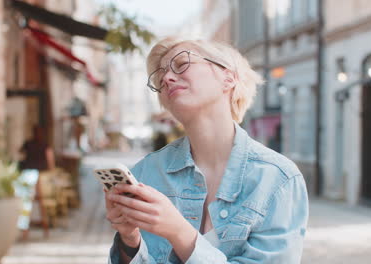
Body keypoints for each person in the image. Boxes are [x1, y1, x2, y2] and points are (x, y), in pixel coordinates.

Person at [104, 37, 309, 264]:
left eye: (181, 64)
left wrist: (178, 231)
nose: (167, 78)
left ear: (228, 78)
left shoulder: (278, 179)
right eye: (160, 78)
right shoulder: (147, 172)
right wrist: (129, 240)